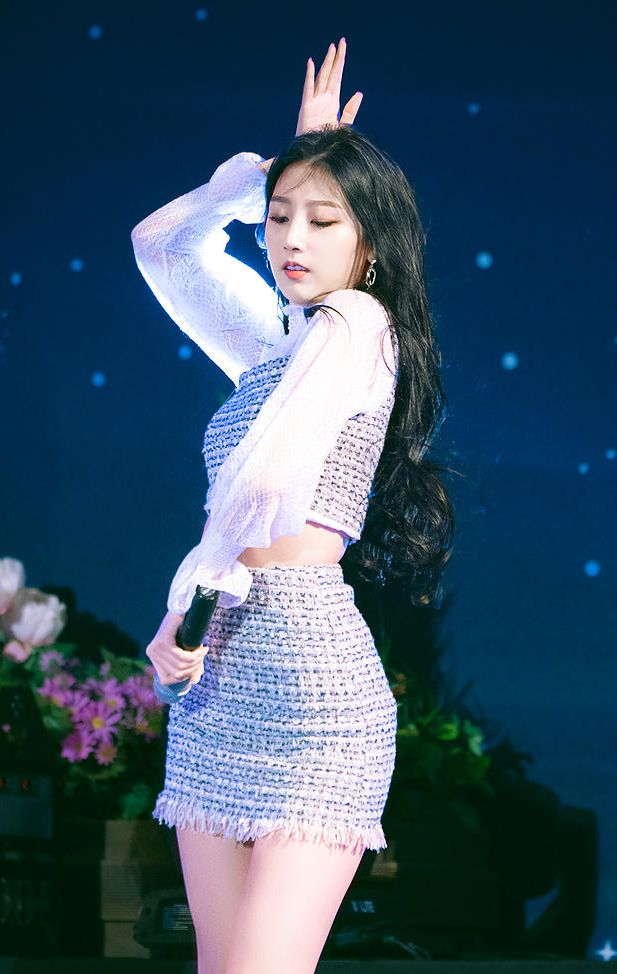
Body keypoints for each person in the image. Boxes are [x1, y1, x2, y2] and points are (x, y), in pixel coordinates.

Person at [131, 36, 453, 974]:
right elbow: (161, 247)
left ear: (369, 242)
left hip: (311, 687)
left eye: (322, 220)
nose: (291, 241)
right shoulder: (278, 352)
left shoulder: (358, 323)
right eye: (279, 220)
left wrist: (186, 602)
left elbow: (265, 482)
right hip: (218, 685)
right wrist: (275, 171)